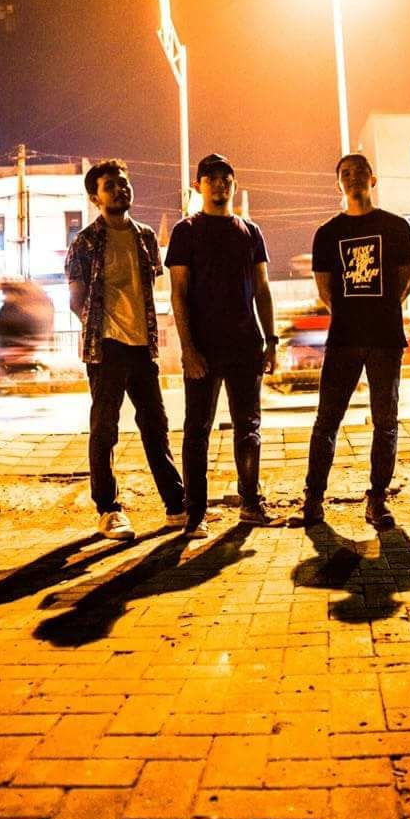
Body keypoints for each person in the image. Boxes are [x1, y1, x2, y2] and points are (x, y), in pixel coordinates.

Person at [65, 159, 185, 541]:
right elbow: (76, 299)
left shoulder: (146, 236)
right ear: (95, 198)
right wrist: (102, 328)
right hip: (106, 348)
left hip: (142, 347)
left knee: (156, 426)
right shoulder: (85, 242)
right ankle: (109, 509)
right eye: (110, 186)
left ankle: (176, 505)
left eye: (123, 183)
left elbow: (150, 289)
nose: (120, 189)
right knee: (105, 429)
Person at [166, 153, 281, 539]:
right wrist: (188, 349)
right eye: (211, 178)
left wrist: (271, 340)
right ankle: (195, 514)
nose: (219, 184)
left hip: (245, 345)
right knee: (197, 430)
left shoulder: (249, 231)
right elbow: (178, 293)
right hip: (202, 348)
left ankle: (251, 504)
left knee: (248, 428)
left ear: (234, 184)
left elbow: (262, 288)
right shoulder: (186, 231)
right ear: (198, 185)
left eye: (226, 178)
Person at [302, 152, 410, 530]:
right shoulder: (327, 234)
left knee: (385, 422)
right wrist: (352, 314)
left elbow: (405, 281)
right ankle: (313, 498)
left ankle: (377, 499)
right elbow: (325, 291)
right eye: (346, 173)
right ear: (338, 183)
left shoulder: (396, 227)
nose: (353, 177)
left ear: (373, 179)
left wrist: (380, 310)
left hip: (386, 339)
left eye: (360, 171)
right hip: (344, 339)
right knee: (327, 420)